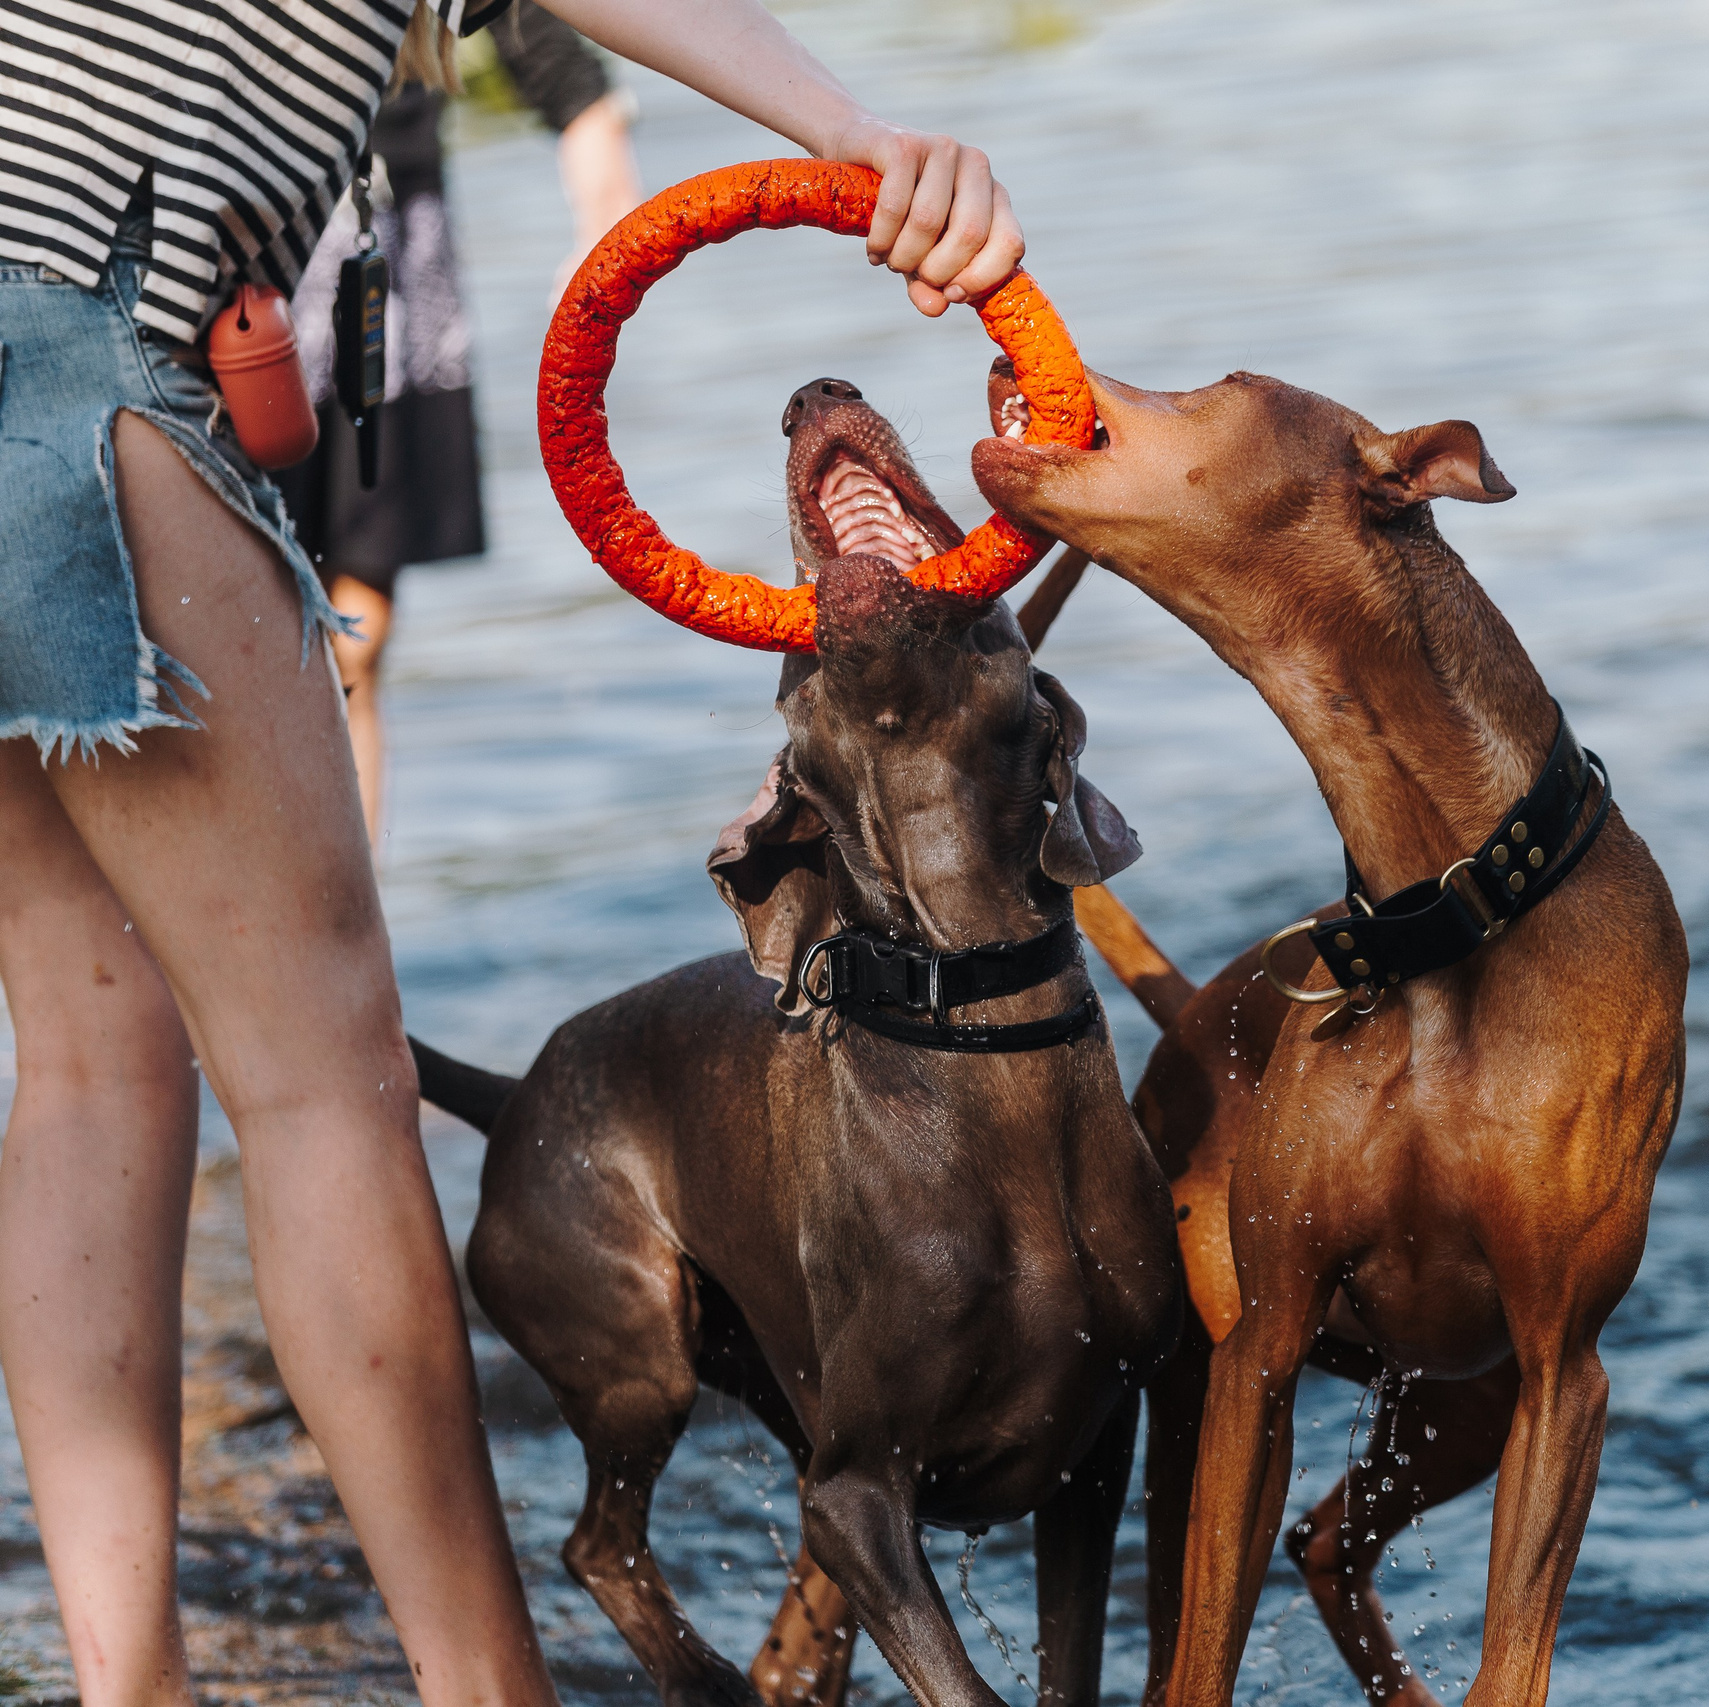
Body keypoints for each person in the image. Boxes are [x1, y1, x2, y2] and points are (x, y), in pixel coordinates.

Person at [0, 0, 1021, 1700]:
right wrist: (857, 131)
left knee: (92, 1064)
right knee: (325, 1082)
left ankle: (129, 1684)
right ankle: (490, 1686)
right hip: (82, 369)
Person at [276, 6, 643, 841]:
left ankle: (357, 919)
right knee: (232, 632)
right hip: (251, 270)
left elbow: (550, 55)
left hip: (392, 266)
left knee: (356, 639)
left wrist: (607, 216)